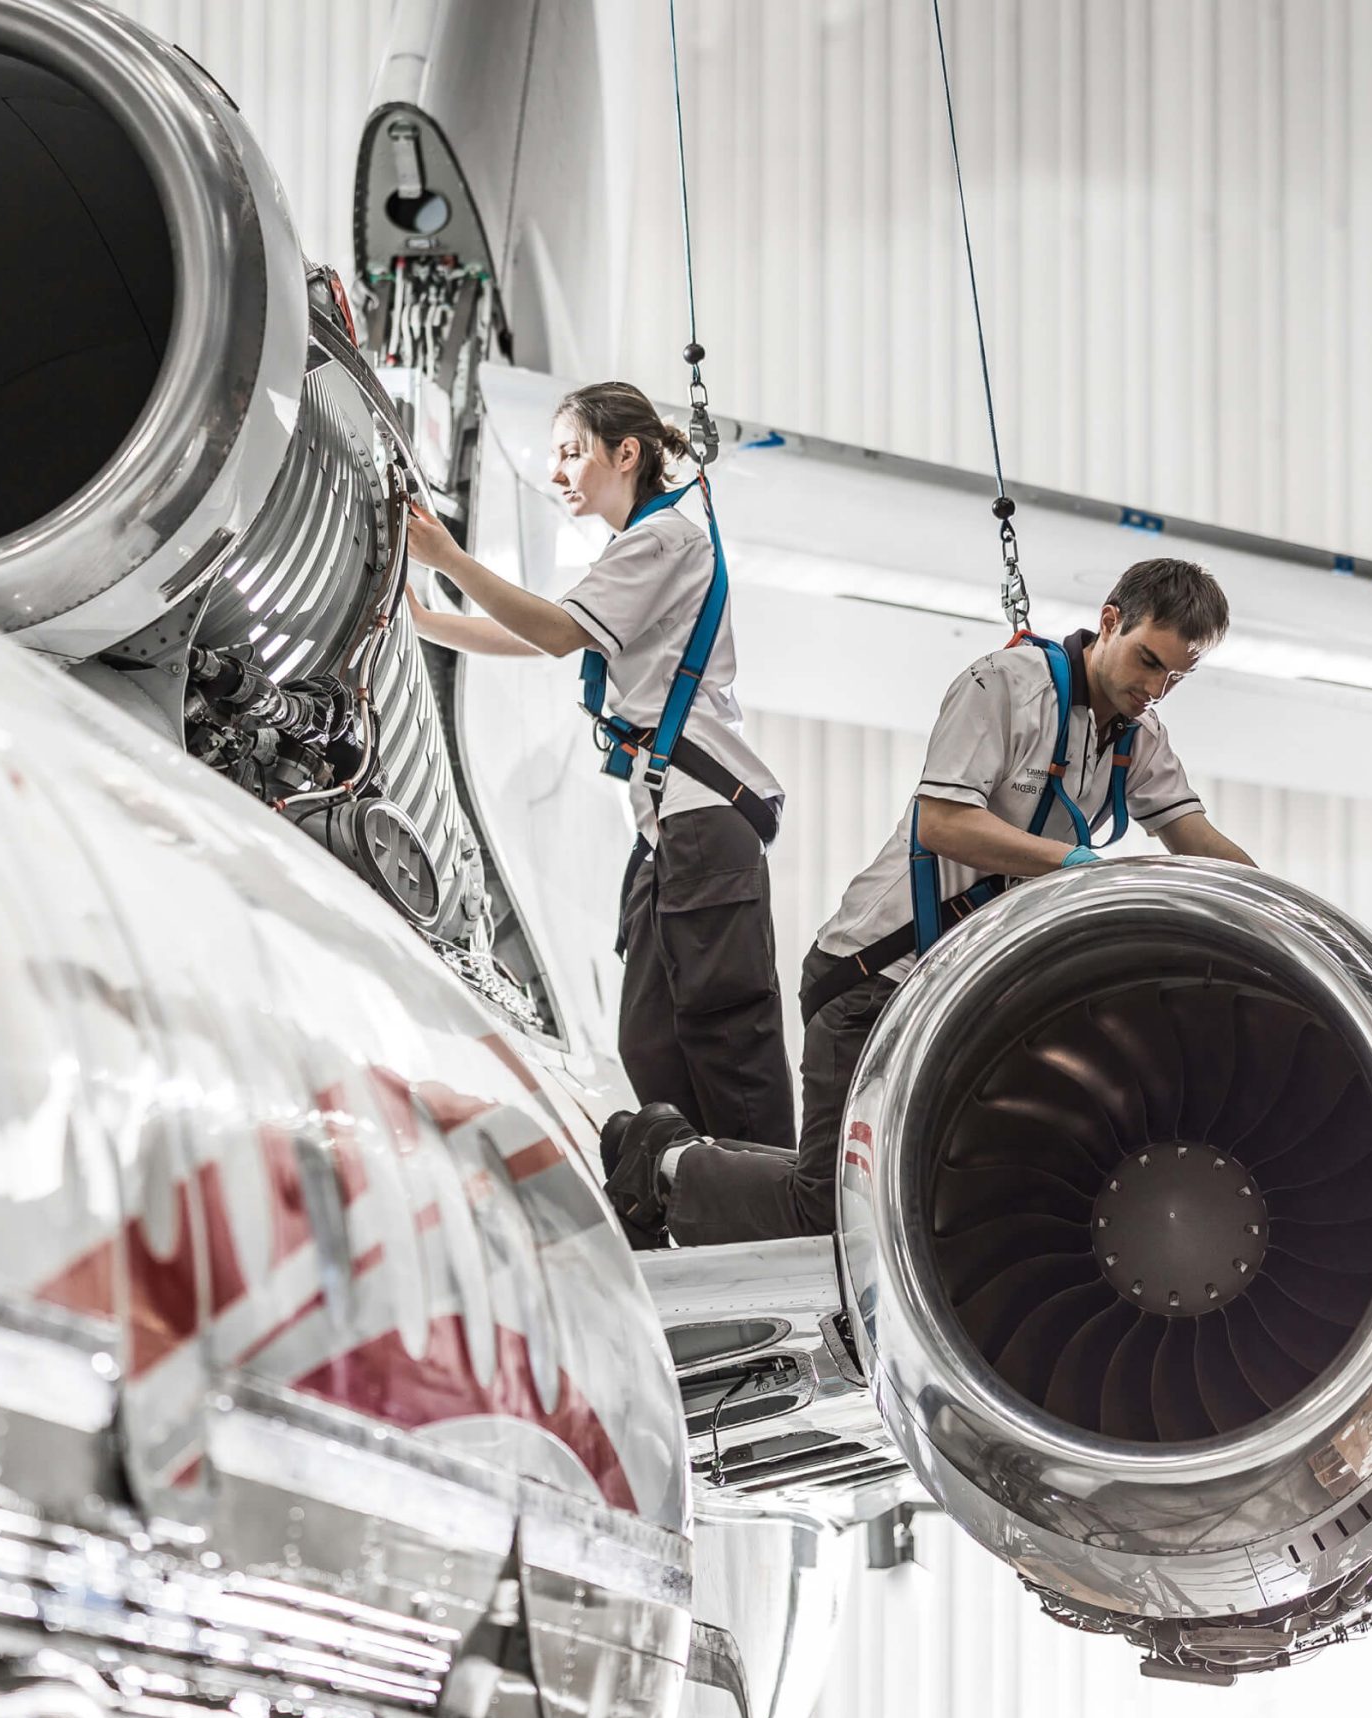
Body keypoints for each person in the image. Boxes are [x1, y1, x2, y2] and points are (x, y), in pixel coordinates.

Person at [602, 556, 1258, 1248]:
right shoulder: (1003, 687)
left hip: (943, 997)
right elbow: (941, 823)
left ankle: (678, 1151)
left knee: (890, 1198)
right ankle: (661, 1157)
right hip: (870, 976)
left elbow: (1197, 840)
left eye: (1175, 679)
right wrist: (1079, 867)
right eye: (1148, 662)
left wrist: (1277, 912)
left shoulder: (1138, 739)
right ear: (1109, 622)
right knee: (829, 1214)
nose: (1155, 689)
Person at [403, 381, 794, 1148]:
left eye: (572, 453)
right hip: (667, 828)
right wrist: (424, 621)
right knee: (650, 1041)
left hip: (701, 816)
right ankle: (709, 1192)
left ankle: (771, 1210)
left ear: (627, 454)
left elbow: (553, 633)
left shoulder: (663, 540)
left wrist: (449, 559)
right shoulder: (636, 550)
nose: (558, 473)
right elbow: (543, 637)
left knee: (725, 1040)